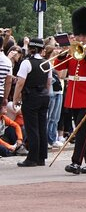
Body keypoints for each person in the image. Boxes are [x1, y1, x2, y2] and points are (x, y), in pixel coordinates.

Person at [58, 7, 86, 175]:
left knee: (81, 130)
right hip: (73, 95)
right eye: (79, 35)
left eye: (84, 35)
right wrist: (62, 54)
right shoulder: (74, 50)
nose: (81, 38)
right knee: (84, 130)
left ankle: (76, 162)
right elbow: (59, 67)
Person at [13, 38, 51, 167]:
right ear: (42, 49)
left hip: (31, 96)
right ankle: (41, 157)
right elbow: (48, 82)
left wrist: (15, 97)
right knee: (42, 126)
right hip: (44, 96)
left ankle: (32, 157)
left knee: (32, 127)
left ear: (30, 48)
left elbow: (20, 82)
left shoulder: (26, 63)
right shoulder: (47, 63)